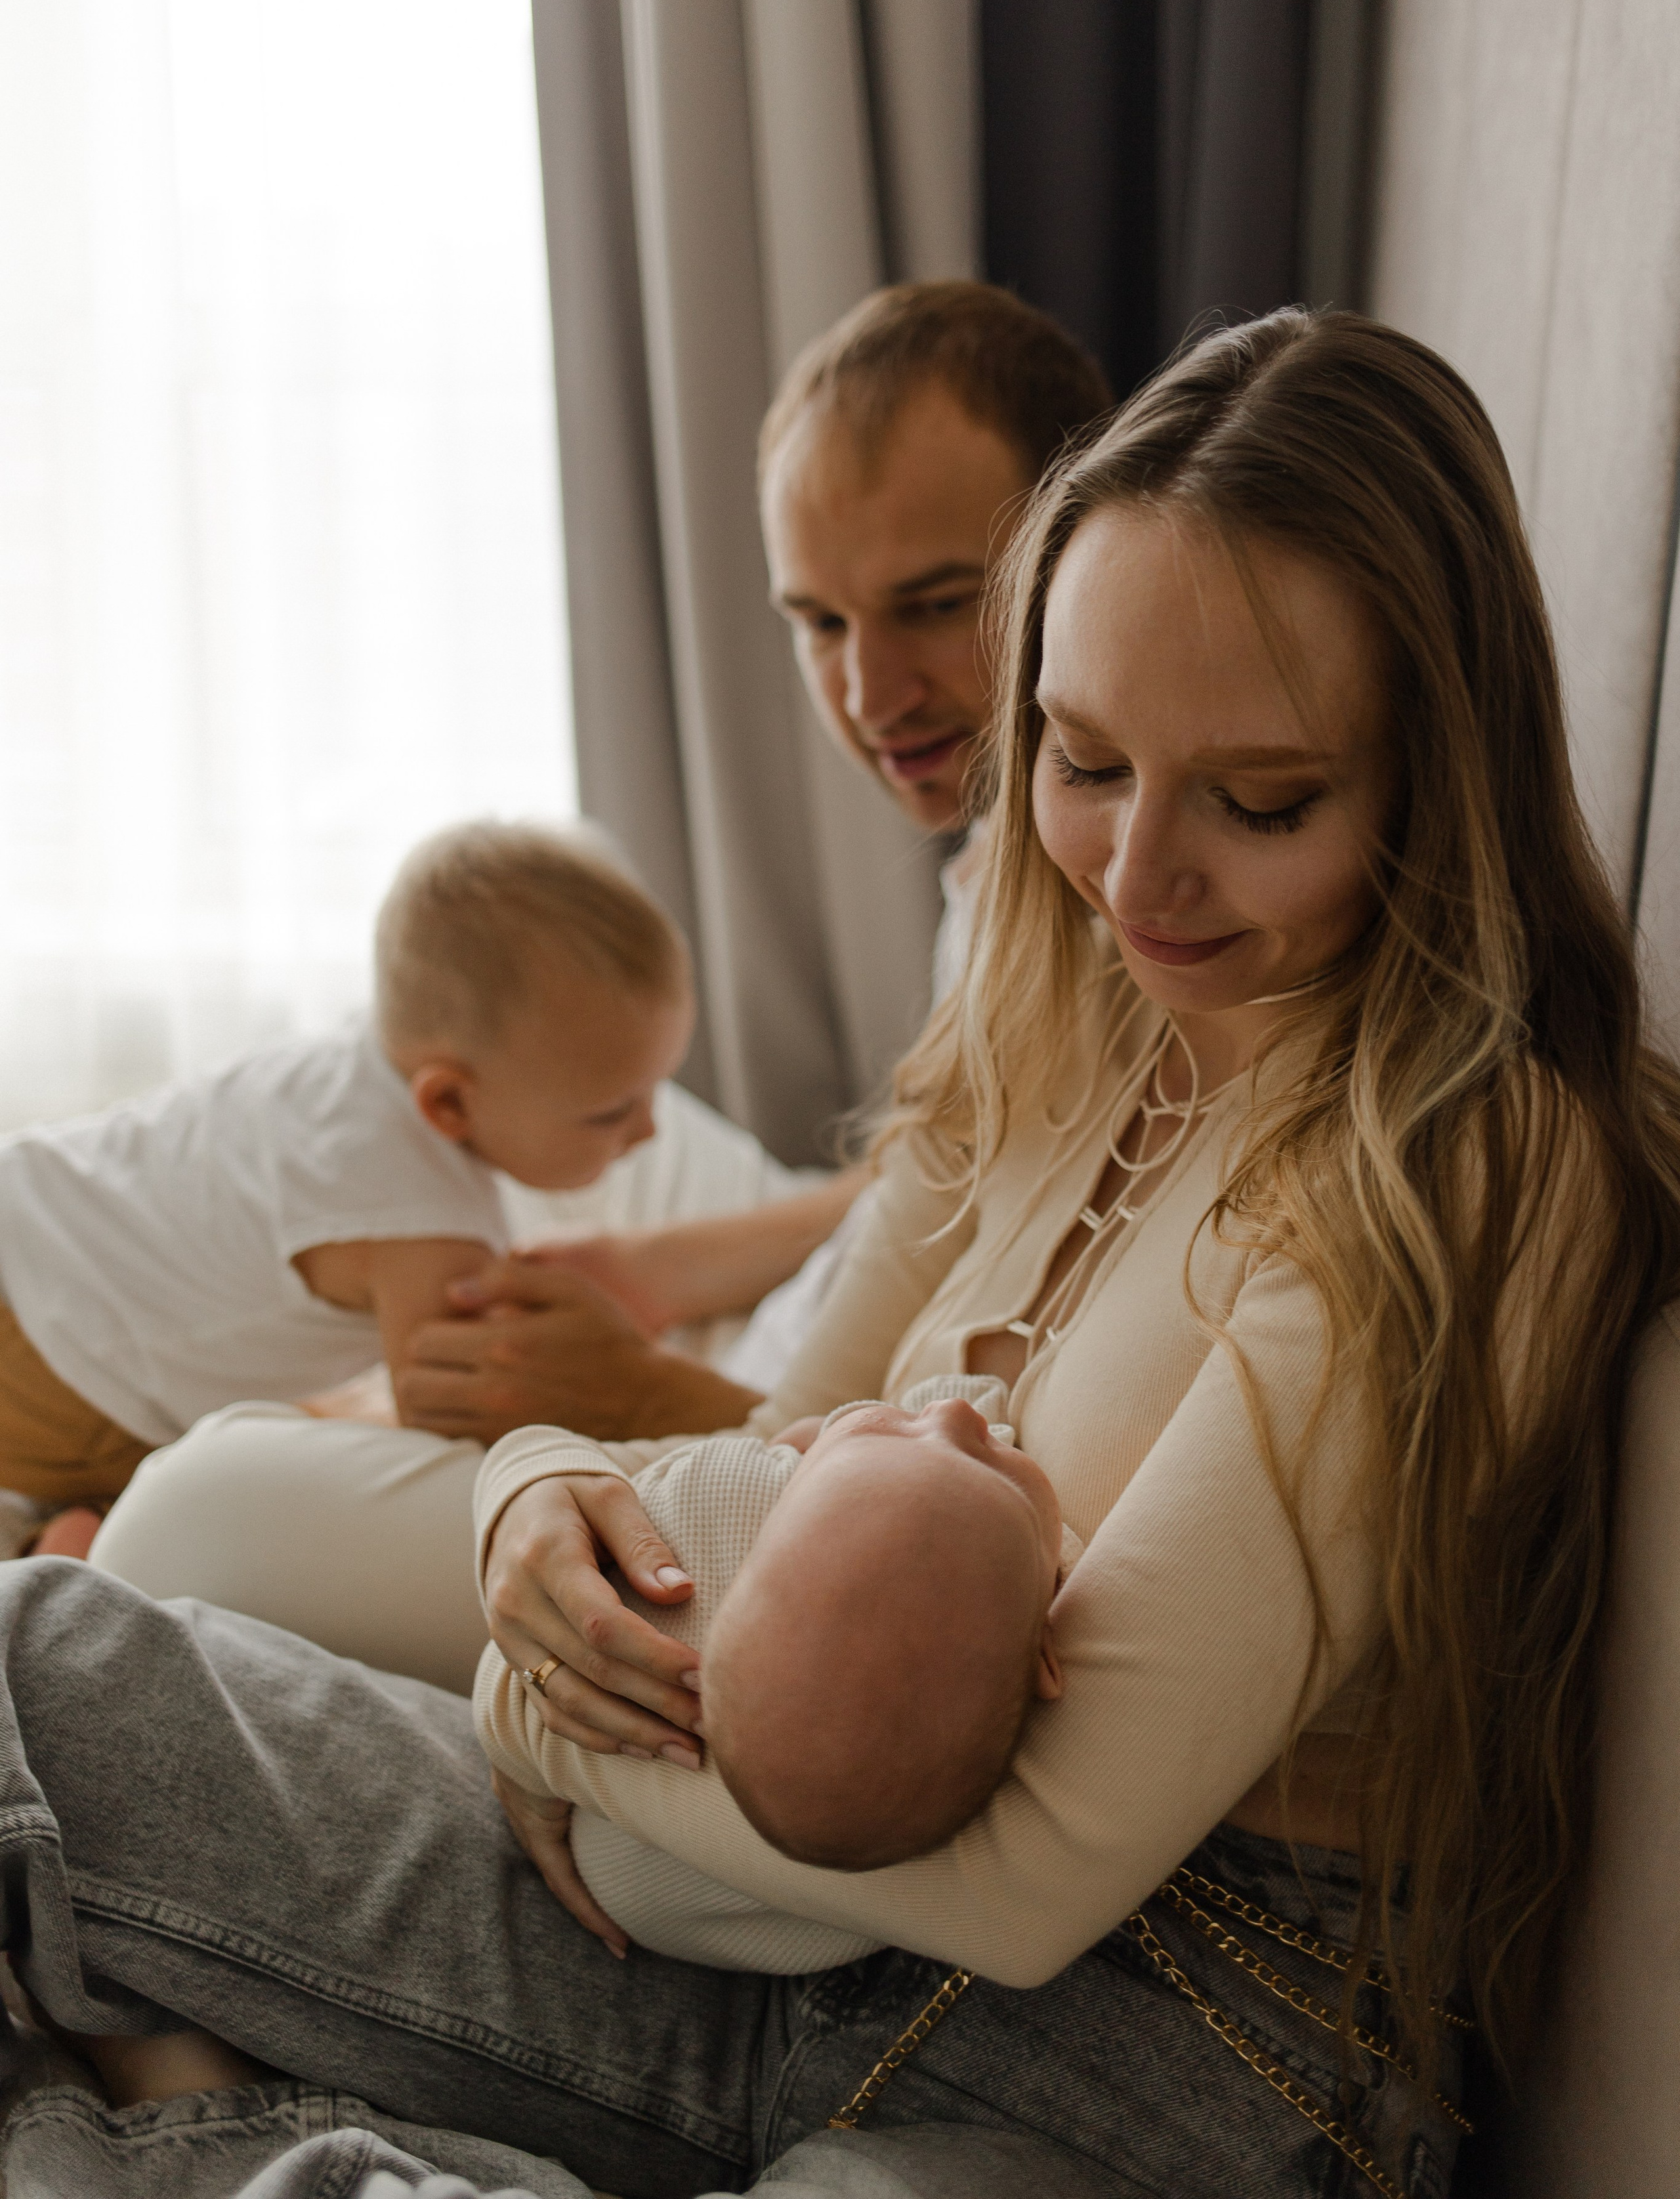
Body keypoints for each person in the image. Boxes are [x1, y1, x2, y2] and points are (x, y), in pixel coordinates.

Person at [3, 307, 1672, 2198]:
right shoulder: (1071, 994)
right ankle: (213, 2112)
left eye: (1261, 802)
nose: (1134, 879)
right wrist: (538, 1496)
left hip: (1161, 2038)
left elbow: (1040, 1872)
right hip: (744, 1894)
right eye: (1083, 761)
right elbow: (762, 1466)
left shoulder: (1472, 1159)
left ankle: (181, 2113)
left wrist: (537, 1720)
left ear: (1435, 776)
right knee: (46, 1654)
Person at [89, 282, 1110, 1684]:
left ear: (1078, 555)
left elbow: (968, 1405)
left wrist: (638, 1392)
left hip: (810, 1440)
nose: (870, 693)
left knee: (185, 1517)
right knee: (518, 1079)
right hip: (809, 1326)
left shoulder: (1132, 922)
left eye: (930, 606)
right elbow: (937, 1180)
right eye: (818, 622)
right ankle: (170, 1361)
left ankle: (209, 1462)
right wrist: (654, 1271)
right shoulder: (998, 869)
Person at [0, 821, 705, 1559]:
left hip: (32, 1214)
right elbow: (461, 1420)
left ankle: (64, 1532)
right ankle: (76, 1533)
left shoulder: (349, 1063)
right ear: (448, 1102)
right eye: (612, 1112)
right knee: (188, 1473)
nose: (650, 1131)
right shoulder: (424, 1219)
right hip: (58, 1359)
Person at [475, 1377, 1069, 1974]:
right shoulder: (1018, 1579)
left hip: (606, 1876)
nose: (956, 1412)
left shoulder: (758, 1501)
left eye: (989, 1459)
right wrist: (528, 1472)